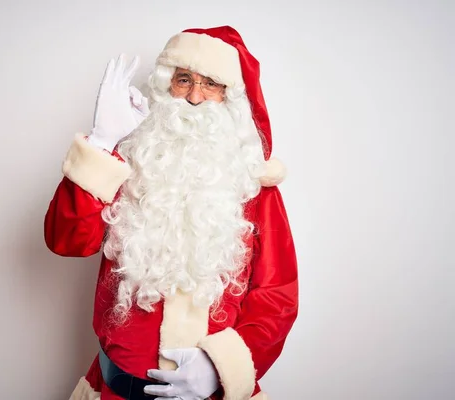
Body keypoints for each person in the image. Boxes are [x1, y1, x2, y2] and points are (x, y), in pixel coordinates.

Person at [44, 26, 298, 400]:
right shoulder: (126, 164)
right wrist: (102, 142)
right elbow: (66, 241)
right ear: (166, 88)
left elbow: (278, 295)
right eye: (184, 80)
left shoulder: (253, 188)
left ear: (230, 98)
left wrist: (220, 368)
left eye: (210, 84)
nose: (195, 97)